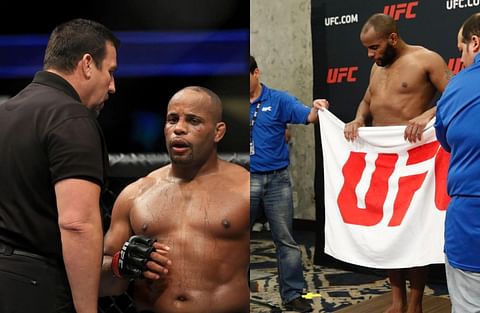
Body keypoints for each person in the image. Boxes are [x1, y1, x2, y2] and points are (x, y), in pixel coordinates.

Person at [0, 18, 119, 313]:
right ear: (87, 64)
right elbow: (77, 224)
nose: (113, 86)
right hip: (35, 287)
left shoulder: (6, 112)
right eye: (111, 71)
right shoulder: (72, 118)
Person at [100, 86, 250, 313]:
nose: (179, 129)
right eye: (172, 120)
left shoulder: (246, 188)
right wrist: (119, 264)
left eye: (193, 121)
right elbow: (102, 284)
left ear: (218, 132)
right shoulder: (136, 194)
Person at [343, 13, 451, 313]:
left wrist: (427, 114)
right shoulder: (376, 67)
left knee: (411, 231)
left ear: (392, 38)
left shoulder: (427, 59)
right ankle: (397, 301)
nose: (370, 54)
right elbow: (367, 100)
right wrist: (359, 117)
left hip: (417, 156)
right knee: (387, 231)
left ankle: (415, 303)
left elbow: (454, 95)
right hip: (381, 158)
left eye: (374, 47)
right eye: (367, 49)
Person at [249, 55, 329, 312]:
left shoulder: (278, 100)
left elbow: (309, 116)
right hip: (242, 180)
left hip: (277, 181)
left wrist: (318, 107)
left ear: (256, 73)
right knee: (234, 240)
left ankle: (293, 294)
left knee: (285, 240)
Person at [434, 11, 480, 313]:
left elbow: (447, 141)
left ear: (474, 43)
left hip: (477, 234)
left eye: (460, 50)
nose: (460, 58)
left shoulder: (458, 87)